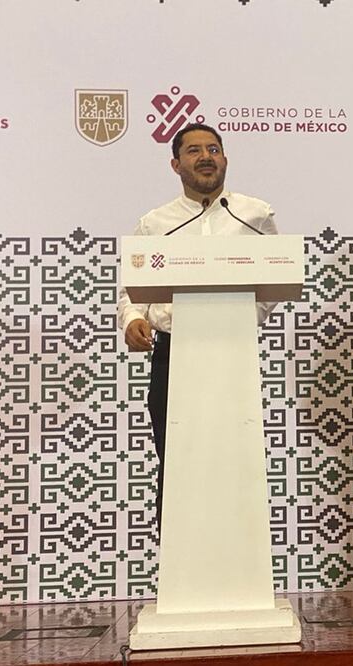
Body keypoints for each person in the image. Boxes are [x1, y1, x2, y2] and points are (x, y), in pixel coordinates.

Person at [116, 122, 279, 527]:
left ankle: (239, 554)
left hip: (233, 351)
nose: (205, 157)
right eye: (193, 151)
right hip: (174, 353)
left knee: (233, 457)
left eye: (213, 149)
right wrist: (133, 318)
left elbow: (276, 279)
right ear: (175, 164)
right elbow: (131, 287)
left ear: (225, 159)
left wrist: (243, 316)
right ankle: (180, 571)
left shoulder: (255, 215)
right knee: (177, 458)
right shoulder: (155, 223)